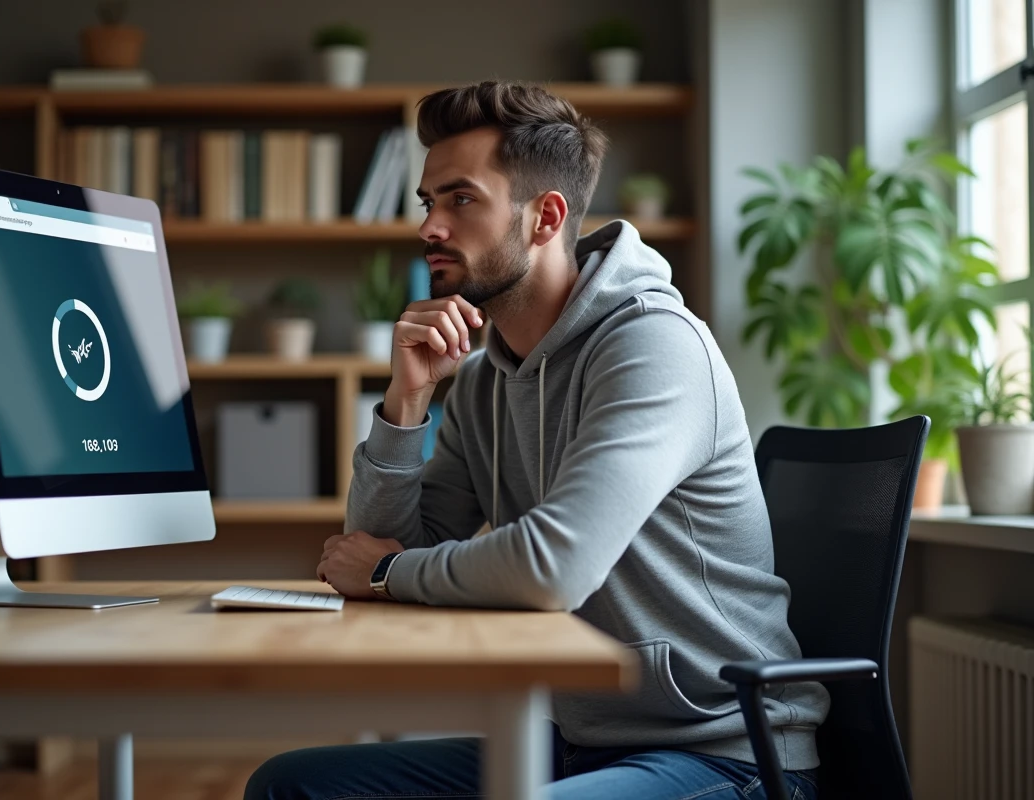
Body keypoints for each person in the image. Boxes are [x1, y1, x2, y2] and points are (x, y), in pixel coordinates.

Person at [245, 80, 828, 800]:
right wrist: (406, 404)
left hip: (725, 752)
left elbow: (553, 565)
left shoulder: (654, 347)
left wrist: (388, 573)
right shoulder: (491, 378)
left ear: (545, 217)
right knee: (291, 787)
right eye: (429, 202)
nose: (429, 227)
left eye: (461, 199)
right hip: (581, 741)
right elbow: (372, 551)